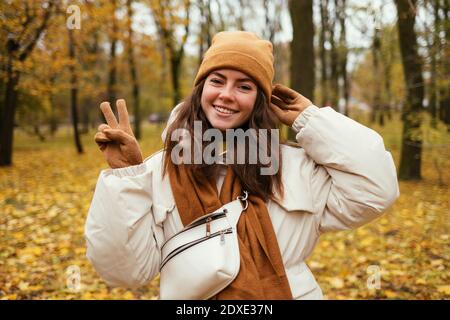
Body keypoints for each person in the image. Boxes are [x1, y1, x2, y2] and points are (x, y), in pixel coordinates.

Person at [85, 31, 399, 300]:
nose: (226, 95)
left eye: (244, 86)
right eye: (217, 81)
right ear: (201, 89)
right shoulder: (158, 172)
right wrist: (125, 177)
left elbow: (376, 191)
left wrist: (312, 120)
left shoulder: (296, 167)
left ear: (261, 100)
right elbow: (124, 271)